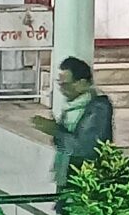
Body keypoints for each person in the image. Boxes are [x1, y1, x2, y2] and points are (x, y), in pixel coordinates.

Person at [34, 55, 114, 198]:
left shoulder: (98, 108)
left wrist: (55, 131)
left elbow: (84, 148)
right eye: (60, 84)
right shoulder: (72, 107)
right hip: (67, 174)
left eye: (66, 85)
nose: (62, 90)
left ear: (82, 83)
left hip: (86, 179)